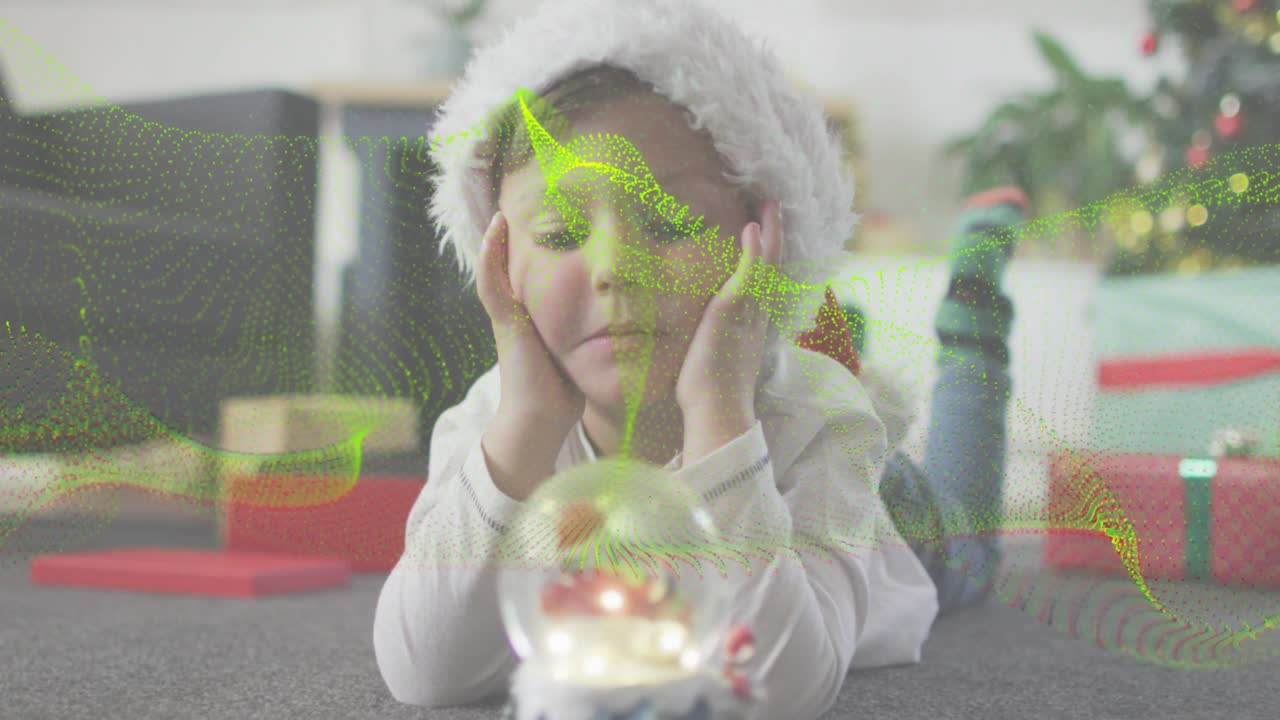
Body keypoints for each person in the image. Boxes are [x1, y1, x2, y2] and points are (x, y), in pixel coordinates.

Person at [373, 1, 1021, 716]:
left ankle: (974, 326)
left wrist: (717, 407)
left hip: (884, 519)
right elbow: (424, 673)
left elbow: (784, 687)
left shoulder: (818, 424)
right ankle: (841, 333)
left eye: (669, 221)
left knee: (969, 542)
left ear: (766, 240)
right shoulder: (494, 420)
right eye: (560, 233)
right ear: (498, 267)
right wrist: (525, 422)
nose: (613, 268)